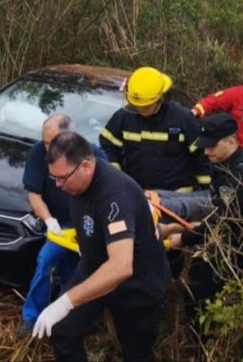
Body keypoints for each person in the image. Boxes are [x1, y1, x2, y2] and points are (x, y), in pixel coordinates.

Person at [33, 132, 171, 362]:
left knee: (136, 353)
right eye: (53, 178)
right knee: (62, 329)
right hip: (94, 269)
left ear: (86, 166)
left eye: (62, 178)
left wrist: (67, 301)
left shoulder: (115, 196)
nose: (58, 185)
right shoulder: (76, 182)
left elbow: (120, 267)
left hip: (136, 285)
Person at [165, 113, 243, 332]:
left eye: (211, 146)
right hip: (229, 243)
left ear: (230, 142)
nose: (206, 151)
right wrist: (183, 227)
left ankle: (209, 342)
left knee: (207, 295)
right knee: (196, 285)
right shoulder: (223, 164)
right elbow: (219, 210)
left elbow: (223, 219)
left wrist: (183, 238)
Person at [20, 115, 108, 333]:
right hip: (59, 226)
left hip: (86, 226)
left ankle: (83, 321)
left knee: (84, 271)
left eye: (53, 143)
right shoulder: (39, 153)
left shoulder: (93, 157)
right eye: (45, 142)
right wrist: (49, 220)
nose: (47, 148)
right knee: (46, 261)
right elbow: (33, 194)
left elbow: (104, 198)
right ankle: (30, 317)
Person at [99, 66, 212, 192]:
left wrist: (206, 193)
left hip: (177, 198)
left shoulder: (182, 119)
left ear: (160, 99)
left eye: (146, 106)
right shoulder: (124, 117)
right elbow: (108, 146)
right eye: (137, 106)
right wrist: (116, 176)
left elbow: (202, 157)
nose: (141, 110)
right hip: (138, 194)